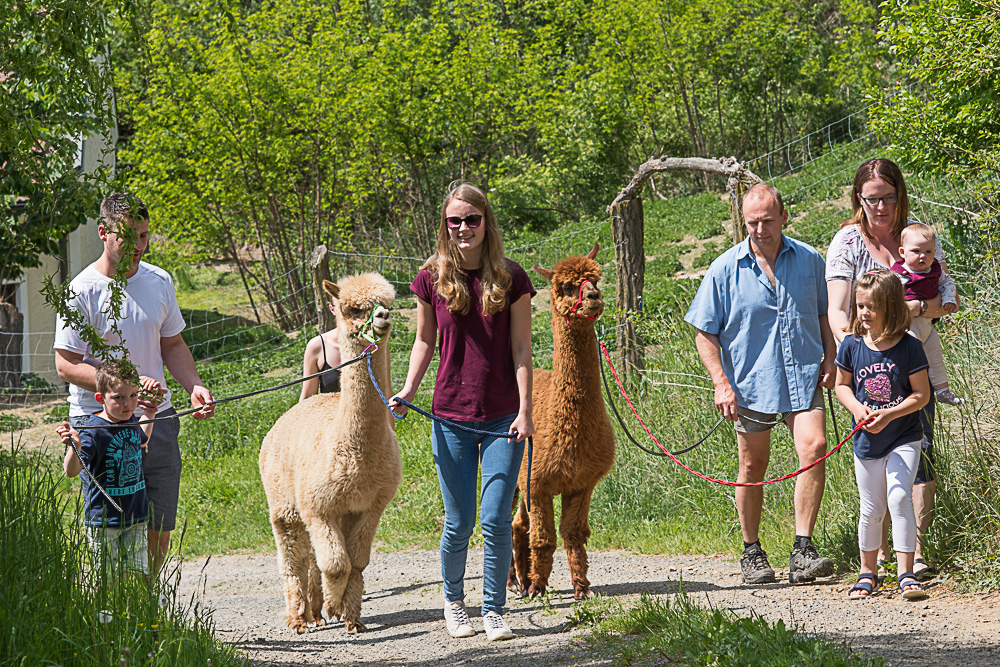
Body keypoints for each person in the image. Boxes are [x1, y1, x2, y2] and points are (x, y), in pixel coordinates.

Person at [389, 183, 535, 641]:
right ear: (445, 226)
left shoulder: (512, 278)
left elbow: (522, 349)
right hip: (449, 415)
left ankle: (493, 609)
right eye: (455, 220)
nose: (464, 228)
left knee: (494, 519)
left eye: (472, 219)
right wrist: (408, 390)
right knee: (460, 522)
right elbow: (424, 340)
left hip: (501, 418)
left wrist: (526, 409)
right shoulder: (430, 278)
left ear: (486, 221)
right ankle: (454, 603)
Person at [54, 193, 216, 576]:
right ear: (104, 233)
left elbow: (172, 343)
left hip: (157, 418)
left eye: (144, 236)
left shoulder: (159, 281)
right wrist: (124, 388)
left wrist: (194, 384)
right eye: (129, 237)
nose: (140, 246)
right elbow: (65, 364)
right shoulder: (81, 291)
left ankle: (146, 604)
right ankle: (111, 611)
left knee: (159, 523)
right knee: (113, 527)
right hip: (101, 426)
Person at [685, 183, 837, 585]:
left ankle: (803, 549)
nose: (759, 229)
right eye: (752, 222)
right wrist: (721, 382)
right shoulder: (724, 268)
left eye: (767, 221)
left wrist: (831, 356)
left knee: (815, 447)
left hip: (804, 375)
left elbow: (825, 314)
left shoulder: (809, 260)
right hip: (751, 383)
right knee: (753, 465)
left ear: (783, 217)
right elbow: (704, 332)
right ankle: (752, 552)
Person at [826, 158, 956, 581]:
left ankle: (915, 550)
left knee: (921, 450)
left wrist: (913, 309)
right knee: (878, 456)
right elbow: (837, 309)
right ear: (858, 199)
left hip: (913, 357)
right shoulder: (847, 242)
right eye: (872, 199)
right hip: (867, 363)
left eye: (889, 198)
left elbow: (942, 297)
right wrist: (855, 350)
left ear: (900, 197)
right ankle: (876, 554)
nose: (880, 207)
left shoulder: (917, 236)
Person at [834, 270, 930, 600]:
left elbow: (921, 395)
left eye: (872, 307)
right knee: (872, 507)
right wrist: (857, 409)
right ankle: (868, 572)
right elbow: (841, 385)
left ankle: (906, 574)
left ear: (891, 307)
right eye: (860, 306)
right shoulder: (851, 345)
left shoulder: (909, 347)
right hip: (866, 441)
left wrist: (890, 413)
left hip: (904, 435)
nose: (864, 313)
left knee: (900, 497)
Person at [56, 360, 160, 577]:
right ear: (101, 398)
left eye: (133, 396)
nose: (128, 404)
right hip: (104, 522)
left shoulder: (130, 419)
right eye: (119, 398)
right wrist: (75, 447)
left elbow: (142, 440)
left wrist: (150, 412)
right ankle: (102, 611)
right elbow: (71, 471)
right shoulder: (93, 430)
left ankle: (135, 612)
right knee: (106, 581)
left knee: (137, 575)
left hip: (136, 517)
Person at [892, 225, 963, 404]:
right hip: (909, 326)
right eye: (916, 251)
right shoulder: (899, 274)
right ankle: (903, 392)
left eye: (928, 251)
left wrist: (949, 300)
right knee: (910, 360)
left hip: (928, 325)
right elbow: (891, 297)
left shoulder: (935, 271)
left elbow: (948, 284)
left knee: (936, 357)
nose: (922, 256)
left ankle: (942, 390)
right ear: (902, 252)